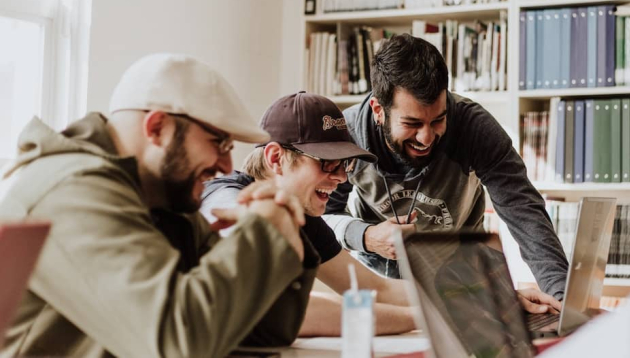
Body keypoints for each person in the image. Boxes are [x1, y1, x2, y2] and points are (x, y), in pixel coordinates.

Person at [0, 54, 316, 357]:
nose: (226, 165)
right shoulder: (73, 191)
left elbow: (260, 332)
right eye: (218, 142)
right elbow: (178, 343)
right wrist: (263, 232)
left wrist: (284, 231)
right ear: (157, 128)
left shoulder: (164, 198)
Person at [201, 92, 560, 337]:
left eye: (345, 165)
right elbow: (286, 309)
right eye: (327, 164)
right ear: (276, 158)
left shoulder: (304, 217)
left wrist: (487, 298)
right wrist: (446, 316)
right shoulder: (226, 199)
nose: (341, 178)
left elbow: (373, 288)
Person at [323, 34, 570, 302]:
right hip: (379, 285)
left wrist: (561, 299)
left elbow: (525, 213)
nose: (426, 138)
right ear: (378, 110)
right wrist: (366, 236)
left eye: (438, 120)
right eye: (412, 124)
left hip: (462, 282)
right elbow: (322, 217)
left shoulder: (474, 128)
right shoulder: (347, 136)